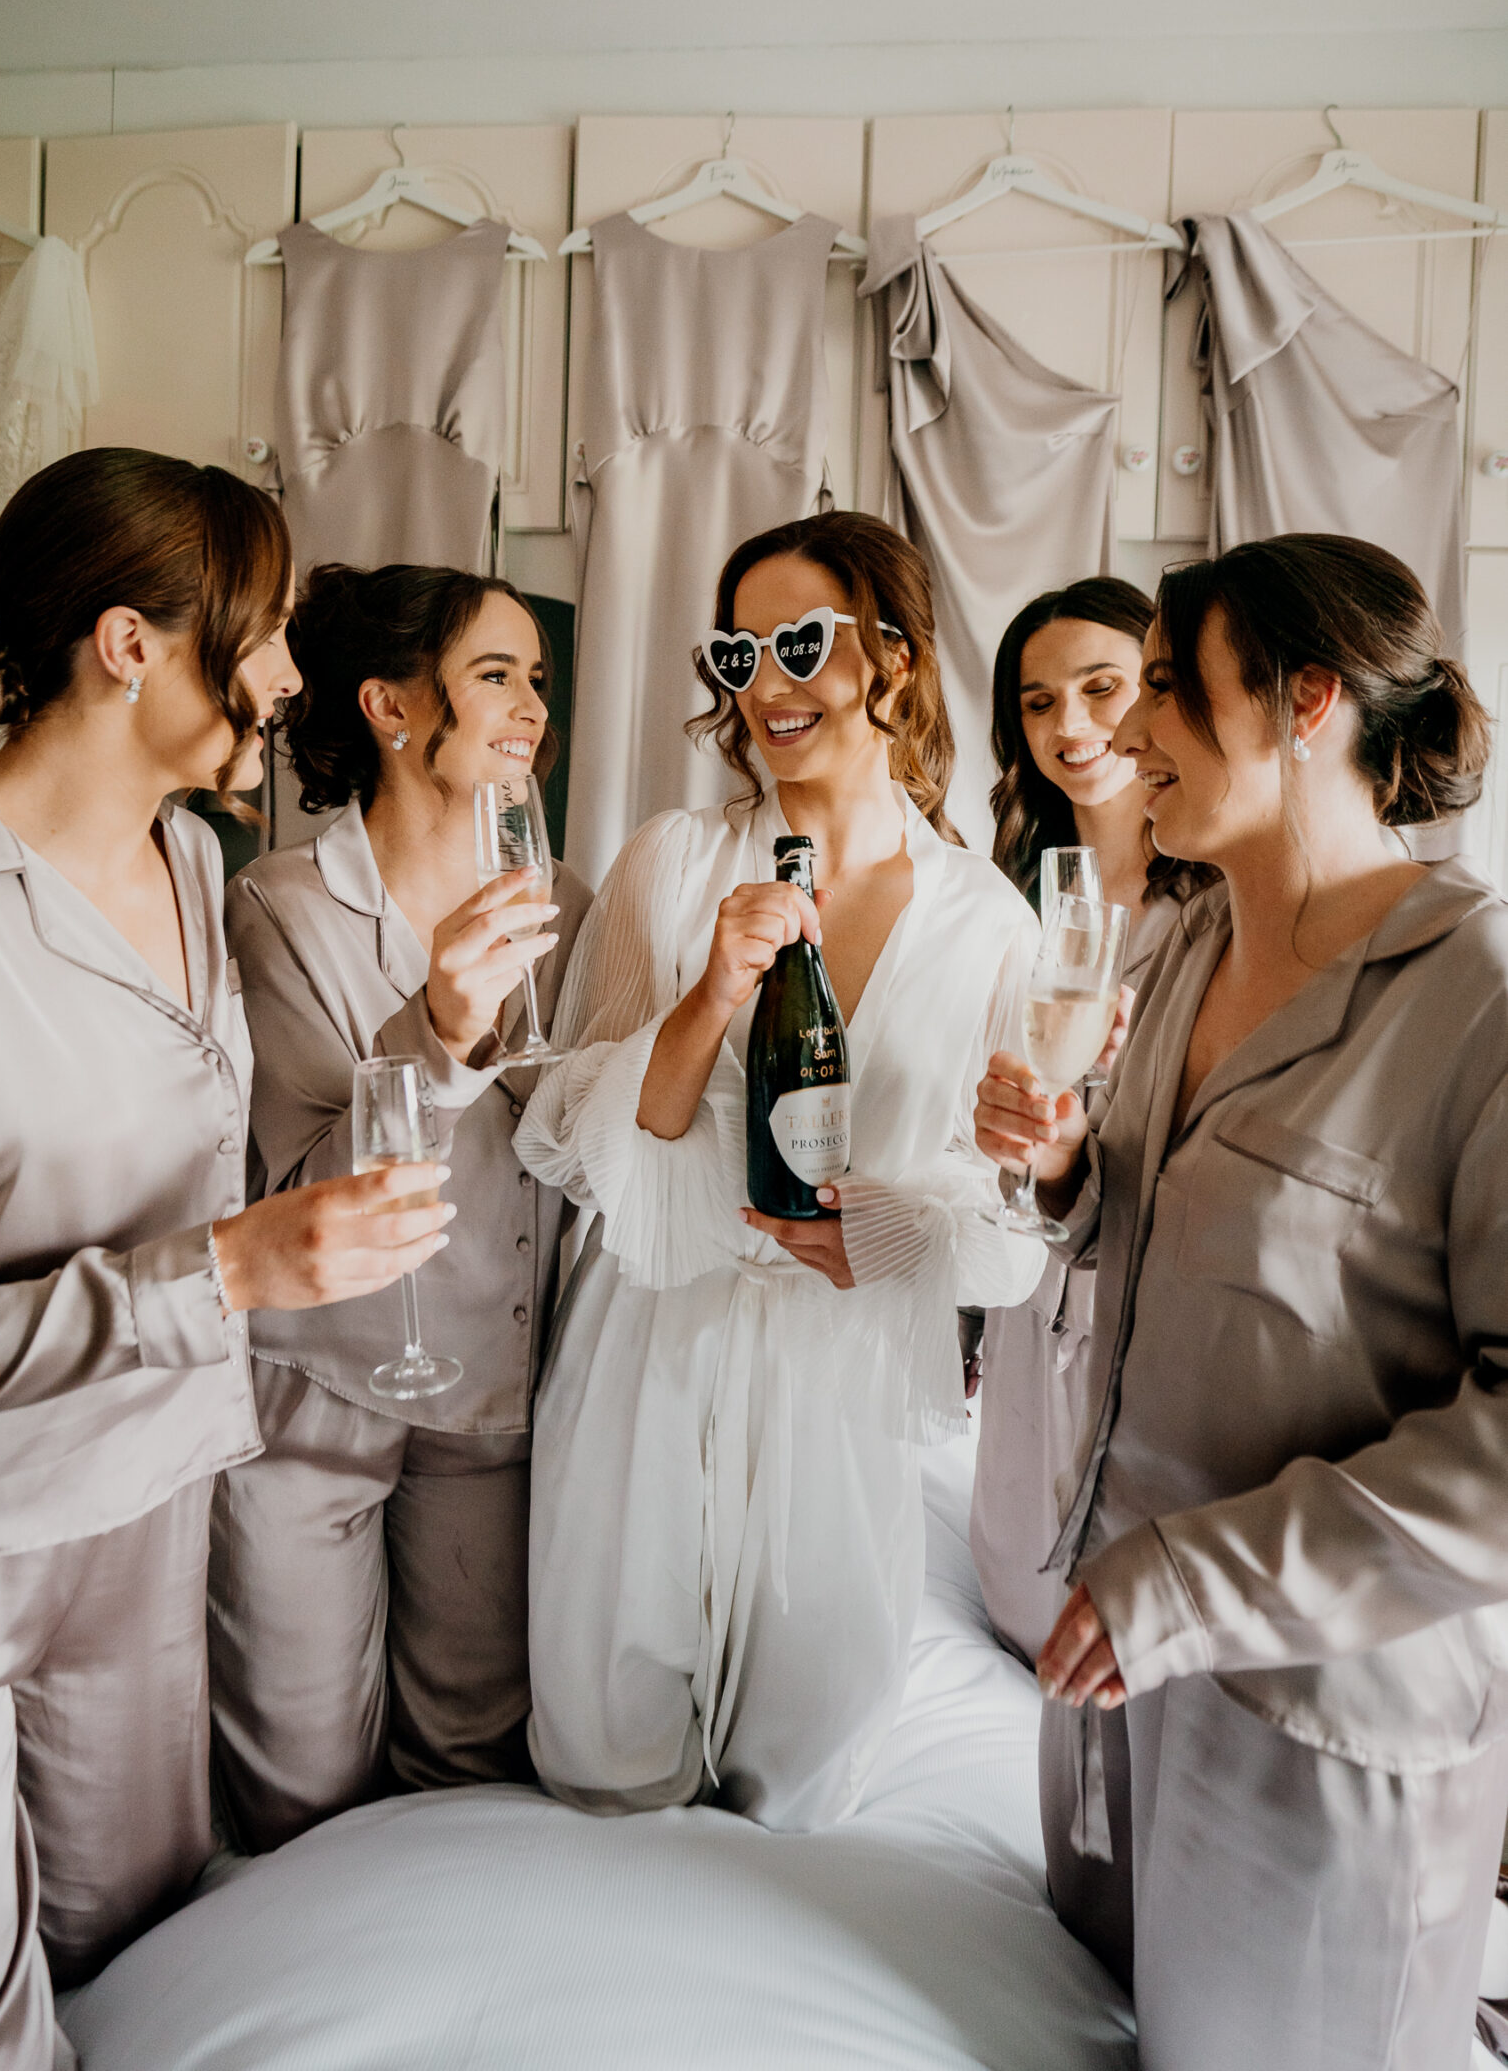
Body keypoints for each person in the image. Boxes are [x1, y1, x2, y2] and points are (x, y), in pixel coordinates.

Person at [0, 450, 451, 2071]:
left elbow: (186, 1157)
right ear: (130, 645)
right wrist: (216, 1275)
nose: (293, 674)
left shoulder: (191, 862)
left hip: (144, 1525)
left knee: (148, 1985)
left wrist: (428, 1043)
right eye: (269, 629)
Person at [975, 533, 1508, 2071]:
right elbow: (1144, 1234)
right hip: (1118, 1686)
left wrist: (1194, 1589)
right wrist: (1071, 1169)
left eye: (1161, 691)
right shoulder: (1182, 936)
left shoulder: (1477, 1001)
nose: (1123, 736)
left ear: (1306, 703)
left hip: (1320, 1728)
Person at [519, 510, 1045, 1831]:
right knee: (605, 1759)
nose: (767, 681)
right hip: (652, 1348)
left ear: (896, 658)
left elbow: (1023, 1214)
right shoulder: (672, 861)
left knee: (804, 1779)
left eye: (801, 641)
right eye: (739, 652)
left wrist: (894, 1236)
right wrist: (711, 994)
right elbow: (583, 1135)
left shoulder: (987, 919)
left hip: (844, 1381)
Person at [211, 562, 592, 1850]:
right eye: (497, 675)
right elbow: (295, 1189)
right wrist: (437, 1027)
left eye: (538, 680)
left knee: (470, 1780)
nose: (532, 705)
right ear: (387, 704)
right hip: (314, 1401)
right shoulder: (280, 908)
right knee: (294, 1791)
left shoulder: (570, 910)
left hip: (490, 1399)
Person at [971, 577, 1210, 1983]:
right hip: (1025, 1285)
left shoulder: (1214, 909)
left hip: (1153, 1302)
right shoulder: (1009, 905)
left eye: (1104, 688)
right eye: (1040, 699)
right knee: (1020, 1583)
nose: (1071, 725)